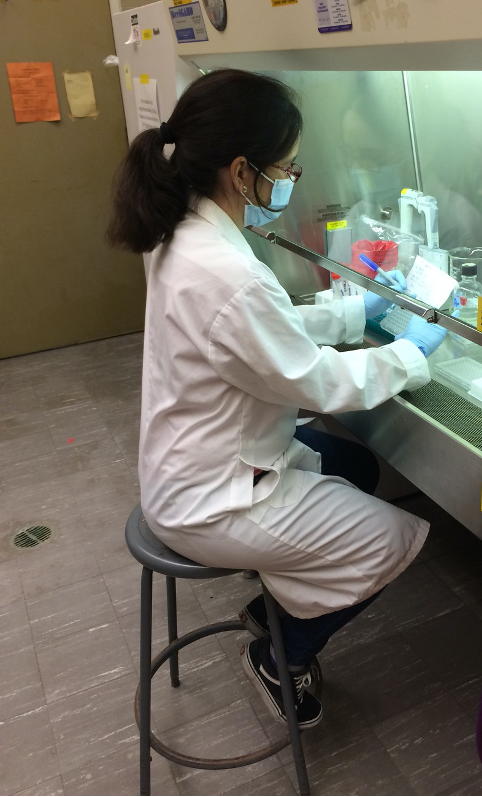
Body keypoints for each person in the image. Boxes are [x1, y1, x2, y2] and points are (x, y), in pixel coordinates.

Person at [108, 69, 450, 730]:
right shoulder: (227, 271)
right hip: (212, 495)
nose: (292, 179)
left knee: (354, 469)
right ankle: (280, 654)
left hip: (193, 459)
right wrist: (412, 353)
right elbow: (316, 382)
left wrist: (354, 315)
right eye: (288, 168)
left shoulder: (187, 231)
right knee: (388, 539)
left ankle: (271, 603)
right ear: (242, 172)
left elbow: (255, 336)